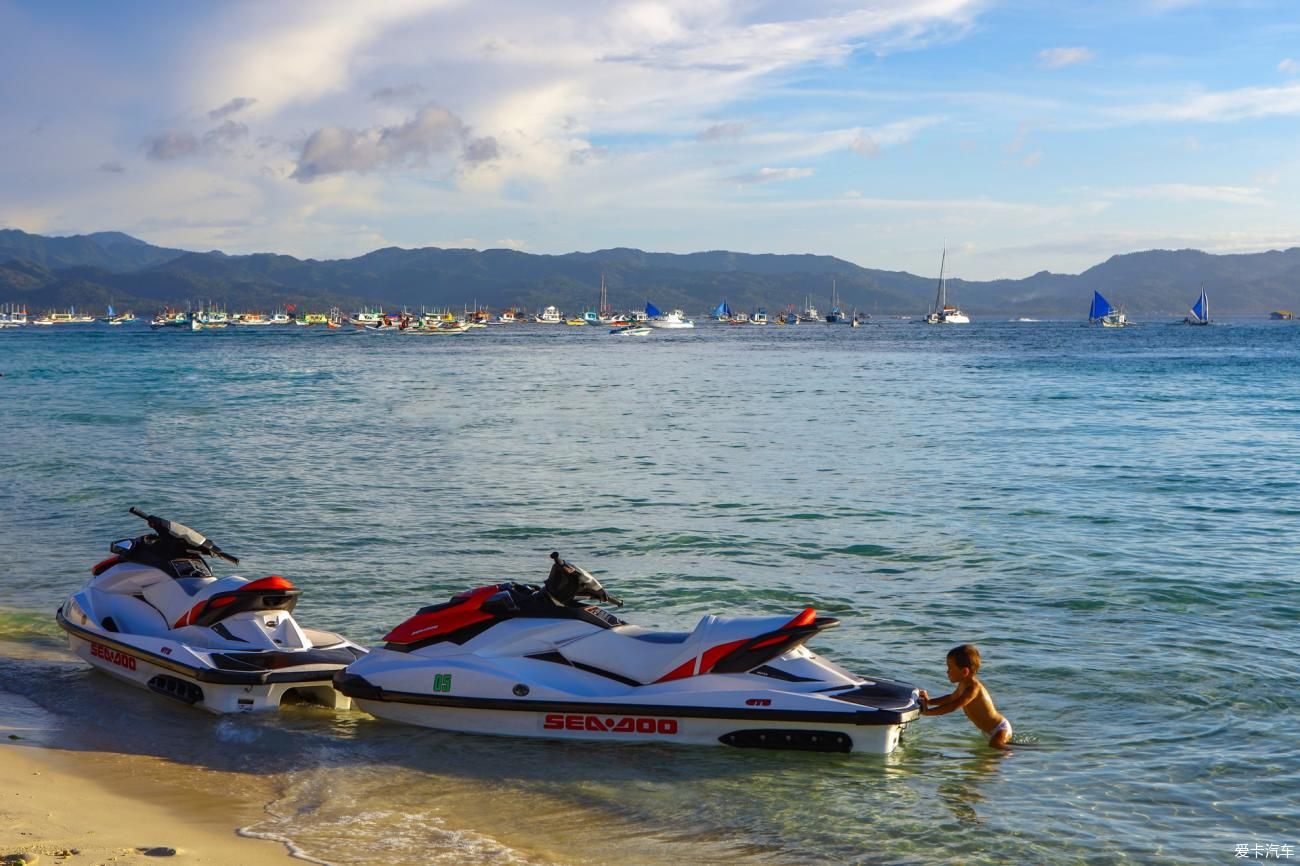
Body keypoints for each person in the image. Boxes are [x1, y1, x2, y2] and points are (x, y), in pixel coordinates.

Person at [919, 644, 1012, 749]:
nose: (947, 671)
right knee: (991, 752)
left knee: (995, 746)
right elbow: (951, 698)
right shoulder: (963, 684)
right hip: (988, 731)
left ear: (964, 671)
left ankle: (1023, 754)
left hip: (1000, 728)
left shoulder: (973, 689)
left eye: (950, 668)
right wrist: (929, 701)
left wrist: (928, 712)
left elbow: (953, 706)